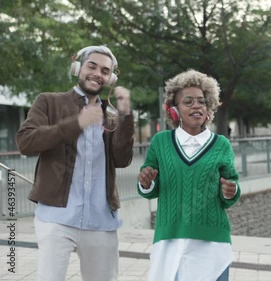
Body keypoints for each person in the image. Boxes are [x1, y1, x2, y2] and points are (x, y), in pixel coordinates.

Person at [16, 45, 135, 281]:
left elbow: (122, 160)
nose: (97, 74)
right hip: (56, 217)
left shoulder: (110, 117)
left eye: (104, 70)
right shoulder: (48, 102)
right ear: (77, 67)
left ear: (110, 78)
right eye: (92, 66)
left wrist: (126, 117)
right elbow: (26, 142)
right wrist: (77, 123)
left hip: (102, 220)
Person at [137, 69, 240, 281]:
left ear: (209, 107)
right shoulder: (160, 142)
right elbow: (150, 190)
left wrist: (231, 191)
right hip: (170, 238)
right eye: (188, 101)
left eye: (202, 101)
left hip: (212, 242)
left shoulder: (221, 144)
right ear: (174, 110)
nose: (196, 106)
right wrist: (146, 182)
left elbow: (230, 192)